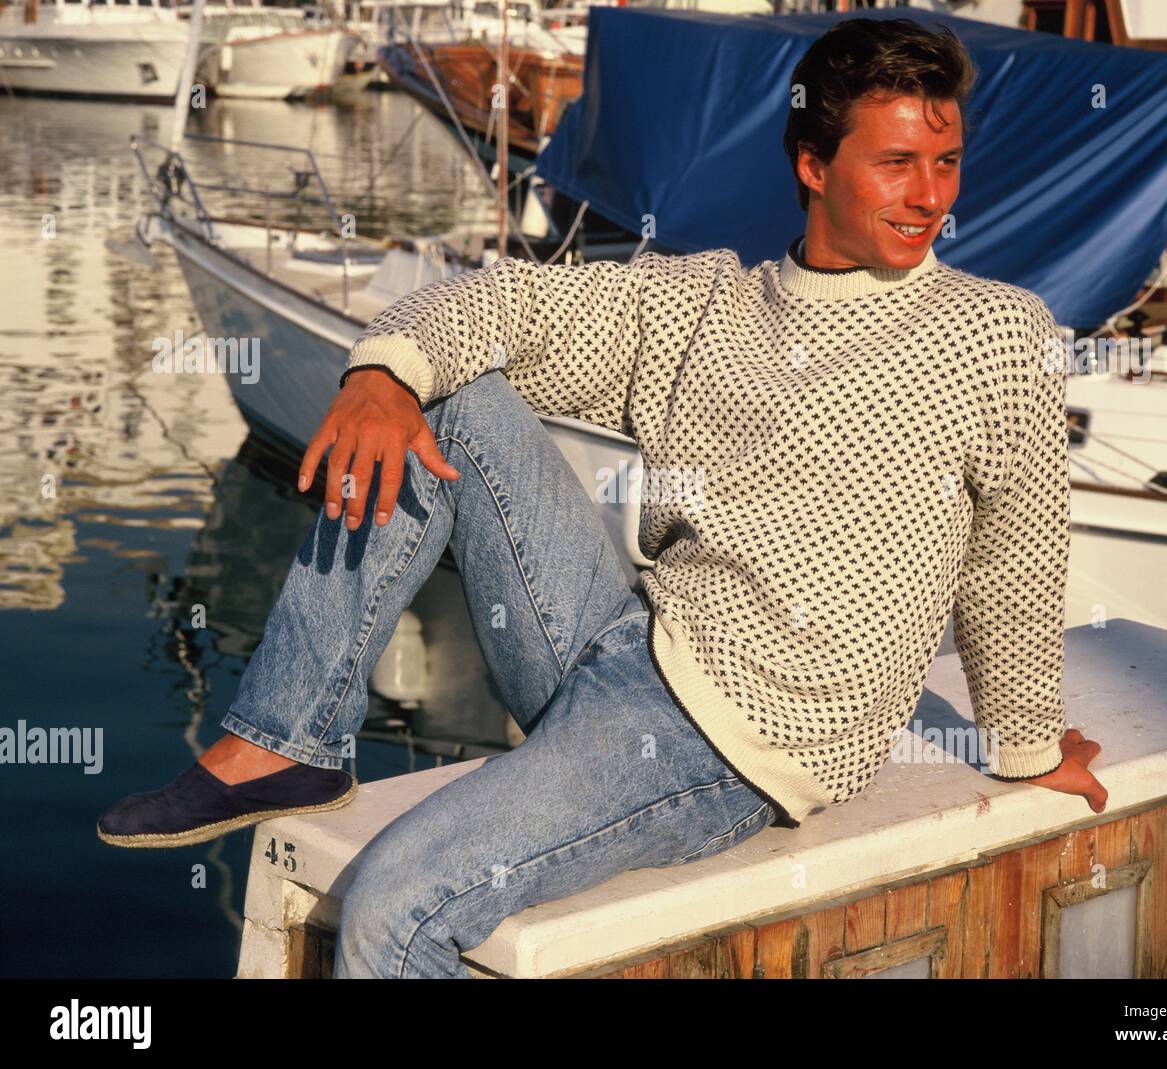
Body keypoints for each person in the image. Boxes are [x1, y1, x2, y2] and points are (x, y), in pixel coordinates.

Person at [98, 16, 1107, 978]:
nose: (930, 195)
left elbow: (1013, 556)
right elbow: (501, 300)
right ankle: (285, 740)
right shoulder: (703, 302)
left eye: (945, 163)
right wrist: (381, 374)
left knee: (393, 904)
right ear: (813, 166)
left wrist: (1023, 742)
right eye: (897, 163)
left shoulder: (992, 333)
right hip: (622, 643)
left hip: (730, 743)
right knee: (447, 396)